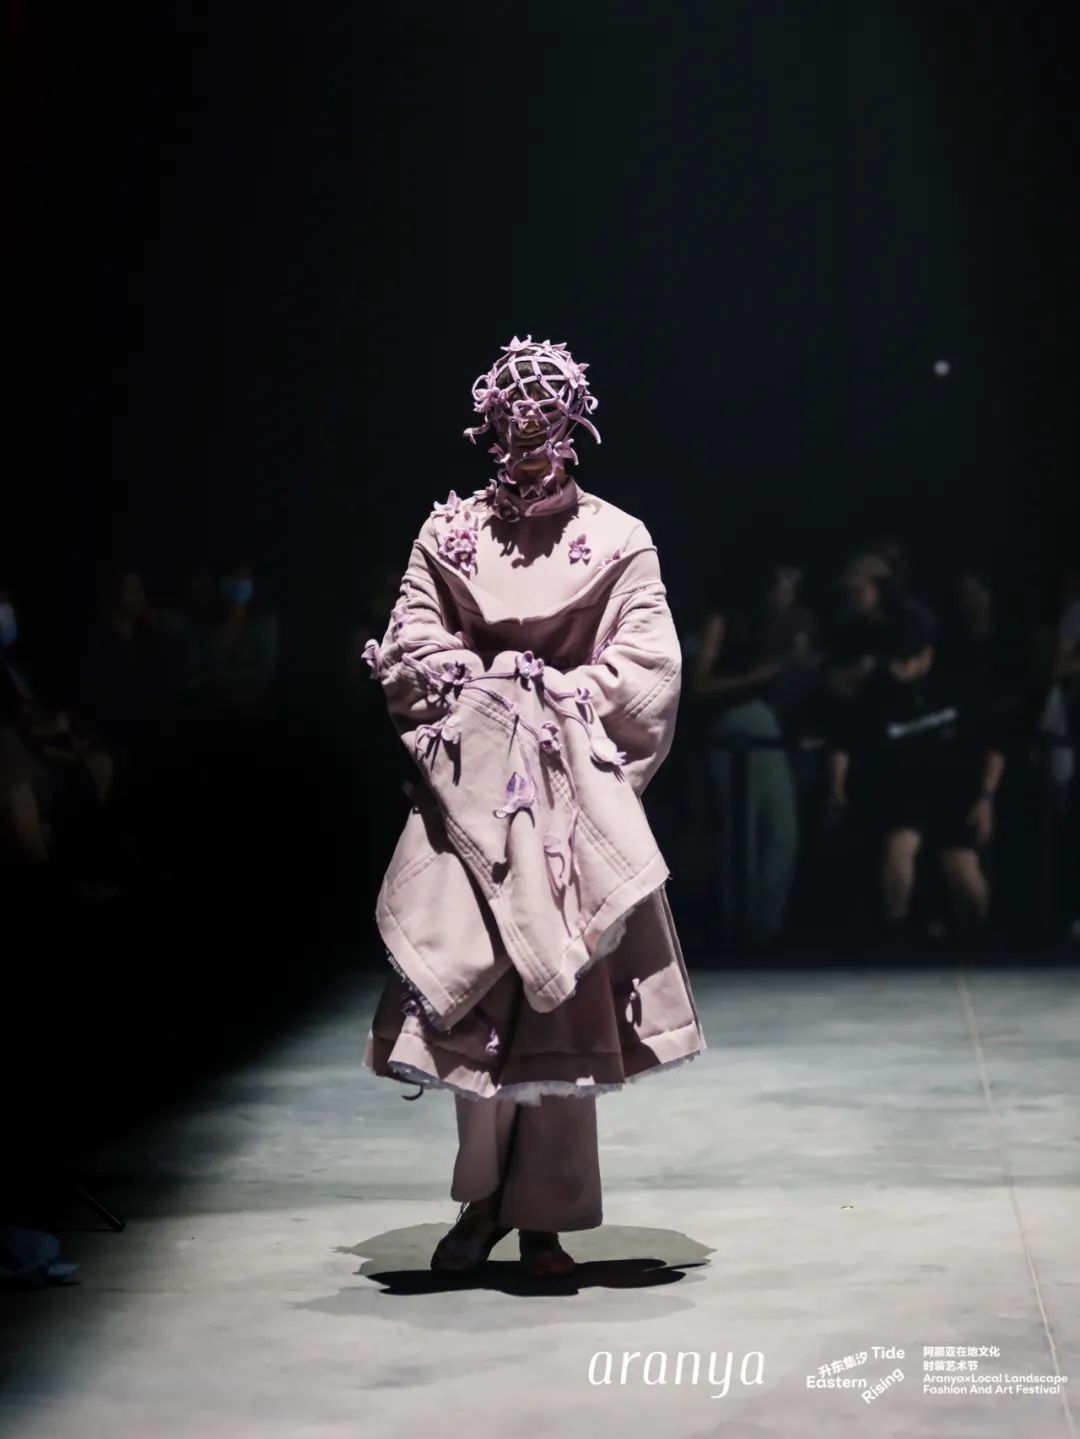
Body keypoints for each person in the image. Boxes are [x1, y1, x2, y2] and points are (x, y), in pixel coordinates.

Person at [360, 335, 705, 1279]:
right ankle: (482, 1204)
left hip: (565, 809)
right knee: (477, 1004)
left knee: (558, 1007)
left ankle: (542, 1218)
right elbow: (412, 637)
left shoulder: (619, 538)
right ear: (489, 424)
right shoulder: (450, 534)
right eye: (512, 419)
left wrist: (554, 698)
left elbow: (649, 661)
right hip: (473, 794)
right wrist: (488, 692)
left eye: (545, 419)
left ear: (572, 424)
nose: (527, 435)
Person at [825, 608, 1005, 948]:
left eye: (907, 660)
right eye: (895, 660)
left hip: (957, 794)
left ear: (927, 655)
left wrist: (986, 799)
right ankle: (895, 934)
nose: (899, 668)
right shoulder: (878, 692)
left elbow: (993, 749)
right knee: (899, 849)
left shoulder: (957, 686)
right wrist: (837, 790)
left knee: (961, 868)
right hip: (905, 795)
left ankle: (980, 935)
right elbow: (843, 745)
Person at [691, 566, 813, 947]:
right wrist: (760, 677)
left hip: (768, 724)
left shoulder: (778, 625)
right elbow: (699, 684)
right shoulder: (724, 618)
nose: (787, 592)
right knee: (743, 831)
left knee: (780, 831)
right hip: (737, 722)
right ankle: (741, 926)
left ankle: (764, 926)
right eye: (781, 583)